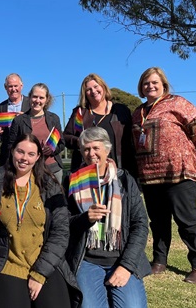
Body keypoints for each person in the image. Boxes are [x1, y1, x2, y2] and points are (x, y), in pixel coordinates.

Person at [0, 134, 81, 308]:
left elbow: (61, 233)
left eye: (31, 154)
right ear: (11, 151)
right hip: (8, 264)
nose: (24, 158)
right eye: (20, 152)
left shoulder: (50, 185)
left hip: (45, 262)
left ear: (38, 157)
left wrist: (40, 273)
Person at [132, 67, 196, 284]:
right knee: (158, 220)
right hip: (149, 174)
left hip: (178, 171)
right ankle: (159, 260)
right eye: (146, 83)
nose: (151, 86)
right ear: (141, 87)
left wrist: (187, 151)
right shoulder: (137, 112)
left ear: (164, 85)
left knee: (187, 221)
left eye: (155, 82)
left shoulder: (178, 103)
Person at [66, 127, 150, 308]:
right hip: (87, 259)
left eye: (96, 148)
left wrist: (126, 266)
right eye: (86, 149)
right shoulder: (72, 181)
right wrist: (84, 219)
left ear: (107, 149)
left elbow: (140, 224)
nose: (91, 153)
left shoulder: (125, 180)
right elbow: (63, 223)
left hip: (120, 257)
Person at [63, 73, 136, 174]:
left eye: (96, 86)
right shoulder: (80, 113)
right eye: (88, 90)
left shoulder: (121, 110)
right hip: (88, 171)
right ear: (85, 94)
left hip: (118, 169)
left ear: (103, 87)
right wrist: (79, 141)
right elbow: (65, 137)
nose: (93, 91)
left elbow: (131, 139)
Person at [9, 83, 65, 184]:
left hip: (53, 169)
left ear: (46, 99)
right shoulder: (19, 121)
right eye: (35, 97)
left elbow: (61, 143)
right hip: (28, 170)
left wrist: (52, 150)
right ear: (29, 97)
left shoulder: (54, 119)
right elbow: (11, 146)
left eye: (41, 98)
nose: (37, 101)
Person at [0, 73, 30, 166]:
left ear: (21, 86)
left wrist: (27, 117)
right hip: (7, 155)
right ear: (5, 87)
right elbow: (0, 137)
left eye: (16, 86)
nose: (13, 89)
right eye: (10, 86)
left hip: (27, 152)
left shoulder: (31, 104)